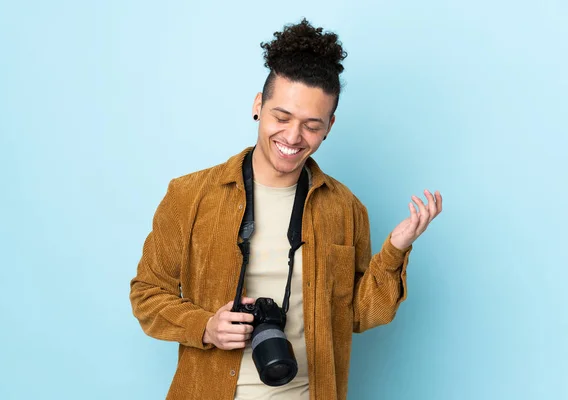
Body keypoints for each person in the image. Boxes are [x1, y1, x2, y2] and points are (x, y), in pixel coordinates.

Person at [130, 18, 442, 400]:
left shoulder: (346, 209)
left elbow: (360, 314)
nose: (293, 137)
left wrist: (394, 251)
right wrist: (206, 326)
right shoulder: (189, 195)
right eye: (281, 117)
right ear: (258, 106)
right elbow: (147, 294)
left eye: (312, 125)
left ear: (330, 125)